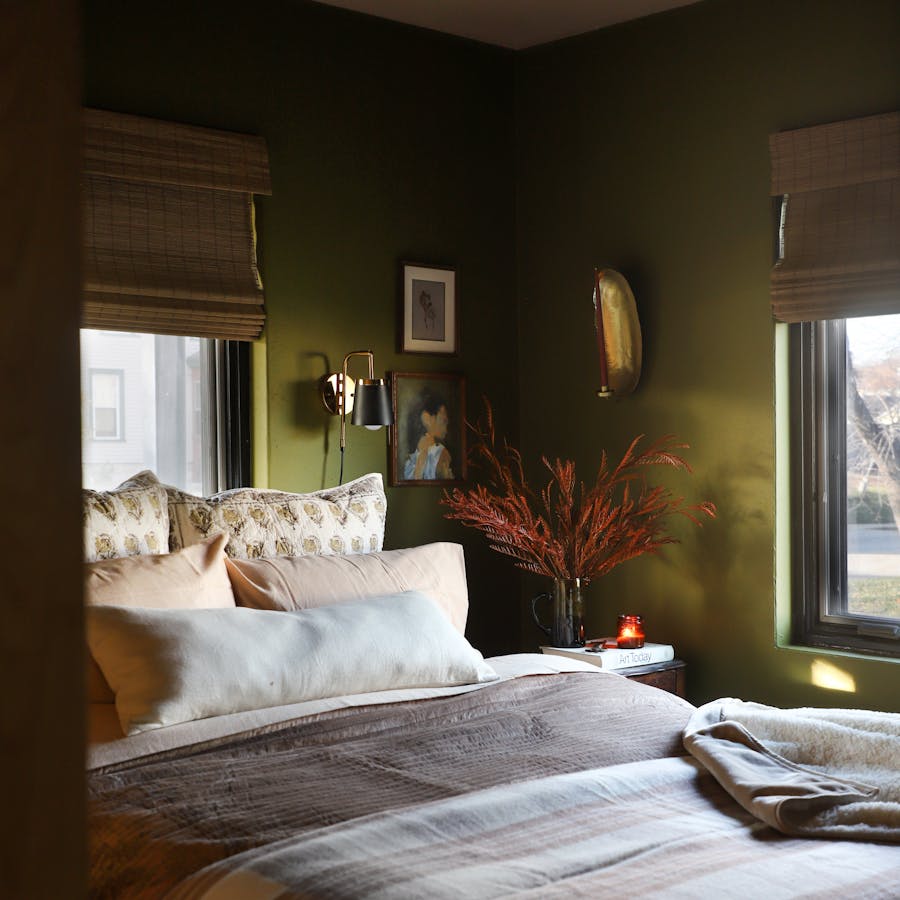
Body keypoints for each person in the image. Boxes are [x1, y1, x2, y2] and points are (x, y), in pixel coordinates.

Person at [403, 391, 453, 480]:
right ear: (426, 418)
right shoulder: (440, 453)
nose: (446, 429)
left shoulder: (410, 460)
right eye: (444, 421)